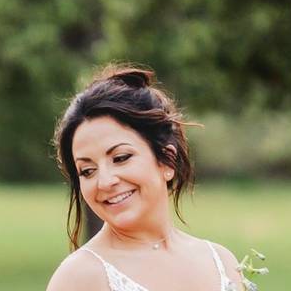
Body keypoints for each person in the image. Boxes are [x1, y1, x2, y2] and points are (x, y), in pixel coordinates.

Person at [46, 64, 247, 291]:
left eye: (121, 158)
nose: (105, 181)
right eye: (87, 171)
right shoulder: (80, 278)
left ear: (167, 160)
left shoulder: (222, 263)